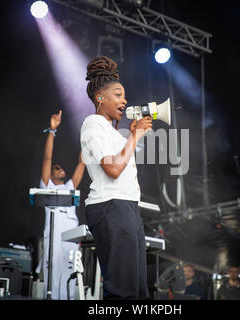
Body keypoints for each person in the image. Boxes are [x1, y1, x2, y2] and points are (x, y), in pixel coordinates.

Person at [80, 56, 152, 300]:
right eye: (118, 95)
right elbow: (113, 169)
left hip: (128, 207)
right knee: (123, 291)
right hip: (111, 206)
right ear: (100, 97)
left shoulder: (116, 134)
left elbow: (124, 161)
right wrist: (135, 136)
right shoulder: (93, 123)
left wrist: (133, 136)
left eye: (124, 96)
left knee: (139, 290)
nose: (125, 100)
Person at [38, 110, 86, 300]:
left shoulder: (69, 187)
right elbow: (47, 158)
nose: (61, 169)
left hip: (70, 238)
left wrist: (86, 139)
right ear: (50, 174)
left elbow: (81, 164)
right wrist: (52, 130)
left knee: (70, 276)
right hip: (54, 238)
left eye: (61, 167)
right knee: (53, 279)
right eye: (56, 168)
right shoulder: (46, 185)